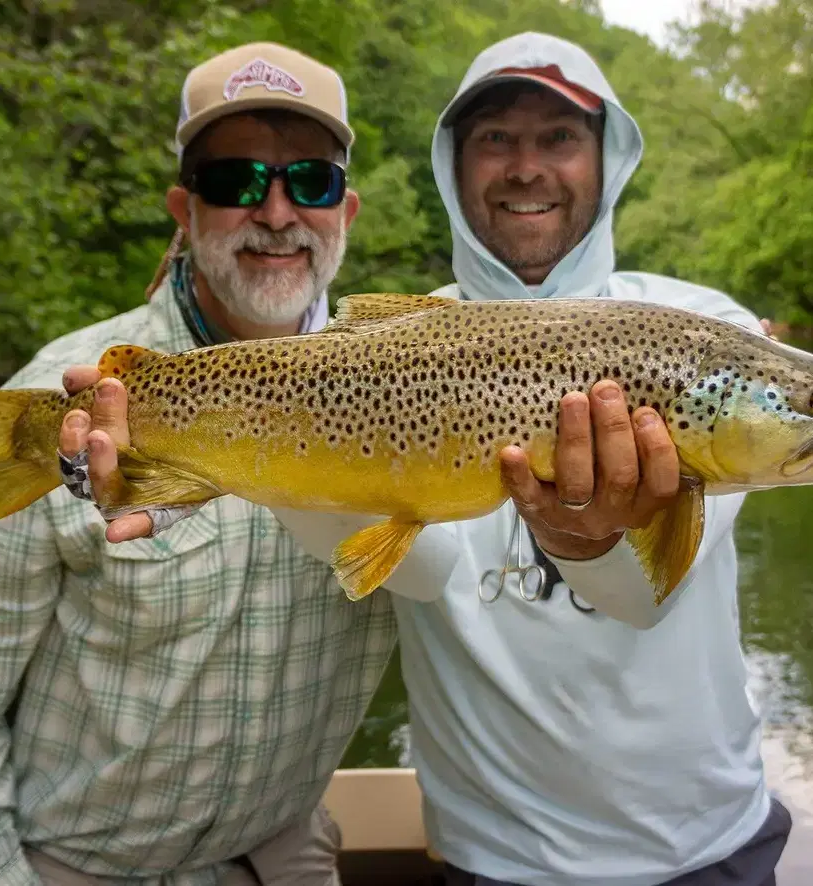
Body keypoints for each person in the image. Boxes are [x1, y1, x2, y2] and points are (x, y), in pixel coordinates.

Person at [62, 33, 794, 886]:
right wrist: (215, 464)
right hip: (490, 864)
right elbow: (424, 568)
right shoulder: (384, 346)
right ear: (453, 165)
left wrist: (592, 541)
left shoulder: (702, 334)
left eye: (559, 137)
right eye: (495, 139)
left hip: (706, 851)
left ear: (609, 161)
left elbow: (644, 599)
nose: (527, 166)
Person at [0, 42, 460, 886]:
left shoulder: (423, 392)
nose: (277, 211)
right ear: (185, 208)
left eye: (310, 181)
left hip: (285, 854)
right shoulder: (67, 399)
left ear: (347, 211)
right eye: (235, 181)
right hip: (74, 866)